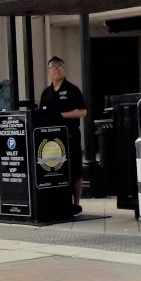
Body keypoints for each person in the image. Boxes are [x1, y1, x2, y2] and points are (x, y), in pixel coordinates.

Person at [38, 56, 87, 215]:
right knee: (55, 169)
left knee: (75, 170)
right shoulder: (46, 93)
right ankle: (57, 200)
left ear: (64, 69)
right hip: (51, 141)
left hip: (70, 136)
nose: (56, 70)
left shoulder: (72, 90)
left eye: (59, 67)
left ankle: (76, 204)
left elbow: (82, 111)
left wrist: (62, 115)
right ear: (49, 71)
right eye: (53, 67)